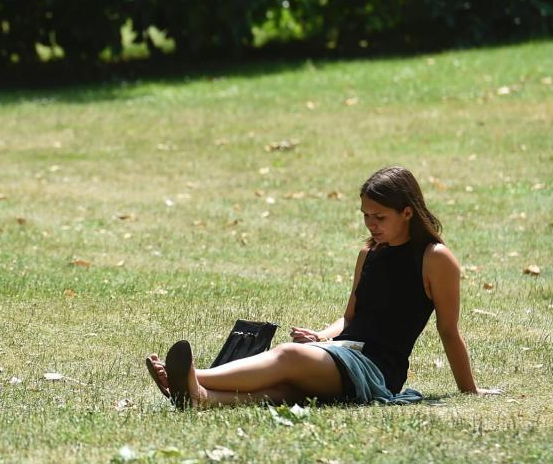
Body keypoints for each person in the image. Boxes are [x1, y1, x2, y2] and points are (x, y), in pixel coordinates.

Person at [146, 166, 495, 408]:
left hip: (377, 370)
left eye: (379, 217)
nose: (371, 224)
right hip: (343, 352)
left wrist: (470, 389)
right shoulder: (368, 254)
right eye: (365, 215)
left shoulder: (436, 258)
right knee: (281, 390)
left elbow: (449, 330)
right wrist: (323, 337)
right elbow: (350, 318)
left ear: (407, 213)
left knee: (288, 355)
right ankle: (199, 399)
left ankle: (192, 376)